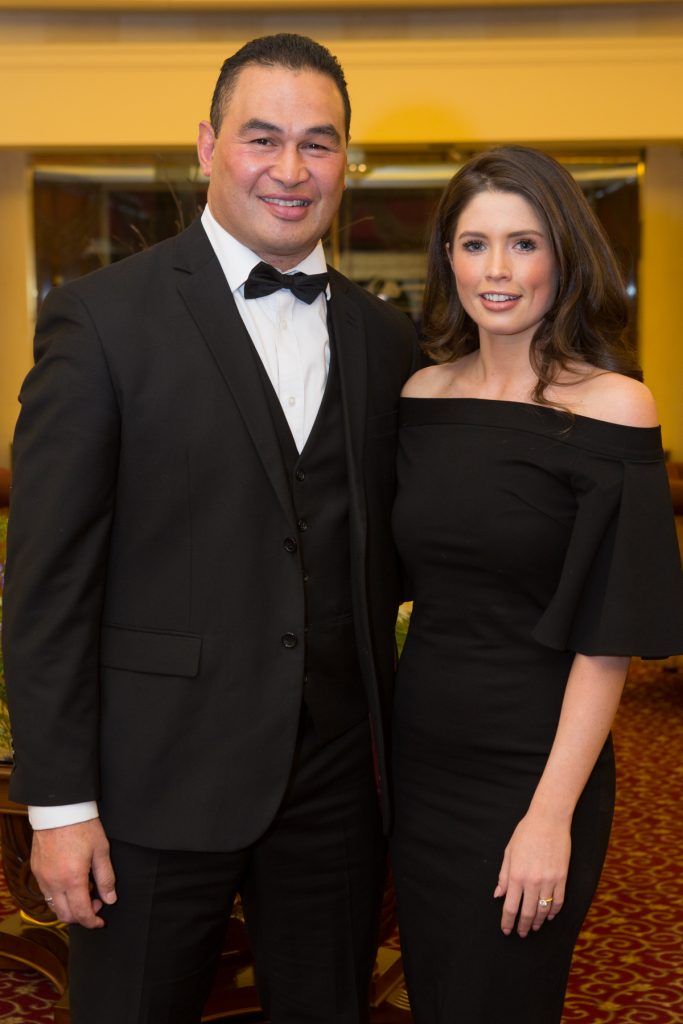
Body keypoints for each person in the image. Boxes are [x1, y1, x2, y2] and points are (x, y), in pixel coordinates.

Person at [3, 33, 418, 1024]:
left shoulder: (384, 339)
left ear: (345, 160)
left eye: (317, 143)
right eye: (261, 137)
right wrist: (60, 808)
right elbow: (47, 585)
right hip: (152, 785)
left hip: (332, 786)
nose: (289, 169)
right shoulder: (101, 321)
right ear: (204, 144)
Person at [390, 146, 683, 1023]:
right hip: (418, 764)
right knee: (436, 998)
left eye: (523, 243)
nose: (497, 270)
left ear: (562, 253)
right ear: (447, 257)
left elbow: (606, 636)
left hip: (534, 767)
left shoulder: (612, 408)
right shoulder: (419, 396)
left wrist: (548, 815)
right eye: (474, 243)